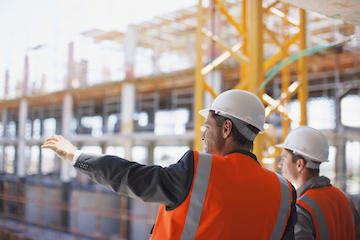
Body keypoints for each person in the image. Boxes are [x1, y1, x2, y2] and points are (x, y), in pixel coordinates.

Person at [42, 89, 297, 239]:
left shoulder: (199, 170)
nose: (202, 136)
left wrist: (76, 156)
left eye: (206, 128)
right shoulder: (284, 192)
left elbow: (131, 177)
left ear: (227, 129)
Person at [277, 126, 360, 239]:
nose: (280, 165)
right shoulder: (346, 200)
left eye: (283, 159)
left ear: (299, 164)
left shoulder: (302, 209)